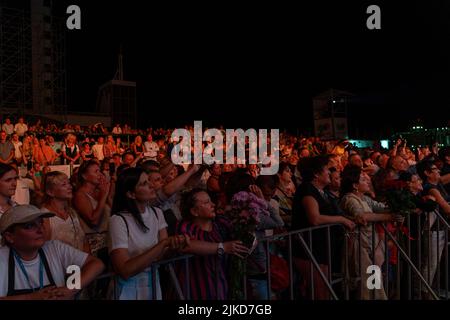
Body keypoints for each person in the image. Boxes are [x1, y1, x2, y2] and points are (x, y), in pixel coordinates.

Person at [109, 167, 187, 300]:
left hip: (152, 283)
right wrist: (163, 244)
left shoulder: (157, 213)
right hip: (128, 289)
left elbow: (162, 255)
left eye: (149, 181)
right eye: (144, 183)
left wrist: (176, 245)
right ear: (131, 194)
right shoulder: (118, 220)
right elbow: (124, 270)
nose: (151, 185)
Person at [0, 205, 104, 299]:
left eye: (40, 223)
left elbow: (96, 264)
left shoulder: (54, 248)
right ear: (10, 237)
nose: (40, 230)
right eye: (29, 226)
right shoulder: (2, 258)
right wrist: (31, 297)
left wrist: (71, 289)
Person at [291, 156, 355, 300]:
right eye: (326, 170)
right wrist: (341, 220)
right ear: (316, 174)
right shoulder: (307, 189)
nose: (329, 173)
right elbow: (315, 218)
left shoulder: (322, 191)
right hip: (308, 249)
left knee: (325, 290)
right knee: (320, 292)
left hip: (321, 249)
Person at [176, 188, 249, 300]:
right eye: (206, 202)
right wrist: (222, 247)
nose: (213, 205)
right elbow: (186, 245)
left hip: (222, 287)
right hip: (197, 290)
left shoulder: (221, 223)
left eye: (210, 201)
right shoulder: (186, 227)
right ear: (194, 211)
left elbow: (239, 237)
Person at [340, 165, 398, 300]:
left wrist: (399, 207)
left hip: (370, 243)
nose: (368, 182)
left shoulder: (364, 198)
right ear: (355, 185)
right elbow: (362, 217)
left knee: (374, 281)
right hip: (359, 245)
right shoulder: (349, 199)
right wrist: (389, 217)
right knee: (366, 282)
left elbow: (381, 207)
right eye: (363, 180)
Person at [73, 160, 112, 263]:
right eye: (96, 172)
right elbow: (93, 220)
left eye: (99, 171)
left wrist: (107, 192)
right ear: (84, 176)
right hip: (95, 246)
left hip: (108, 242)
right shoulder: (80, 195)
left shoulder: (100, 192)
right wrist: (104, 195)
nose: (100, 174)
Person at [41, 171, 87, 251]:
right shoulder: (45, 217)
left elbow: (84, 242)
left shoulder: (72, 213)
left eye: (69, 183)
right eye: (63, 185)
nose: (70, 187)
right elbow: (44, 249)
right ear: (50, 192)